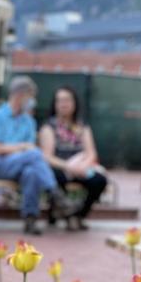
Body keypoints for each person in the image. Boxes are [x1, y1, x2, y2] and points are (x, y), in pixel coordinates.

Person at [0, 75, 73, 235]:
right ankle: (54, 193)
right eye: (31, 96)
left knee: (31, 172)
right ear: (20, 95)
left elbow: (30, 152)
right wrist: (22, 147)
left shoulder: (28, 121)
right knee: (33, 154)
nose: (33, 101)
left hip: (21, 164)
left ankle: (30, 219)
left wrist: (24, 150)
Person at [38, 87, 106, 231]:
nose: (64, 104)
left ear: (74, 103)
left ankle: (78, 215)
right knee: (55, 176)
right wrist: (68, 167)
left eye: (67, 100)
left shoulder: (82, 126)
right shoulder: (48, 127)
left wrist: (82, 166)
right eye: (60, 100)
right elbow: (47, 156)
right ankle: (64, 214)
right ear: (55, 104)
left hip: (81, 168)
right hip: (60, 167)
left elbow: (91, 153)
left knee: (99, 180)